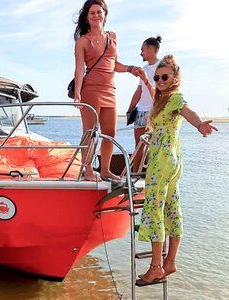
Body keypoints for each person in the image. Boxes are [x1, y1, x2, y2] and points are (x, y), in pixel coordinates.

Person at [137, 55, 217, 283]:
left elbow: (187, 111)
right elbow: (164, 124)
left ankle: (155, 267)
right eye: (157, 77)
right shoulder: (160, 100)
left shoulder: (174, 98)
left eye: (164, 77)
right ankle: (170, 262)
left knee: (154, 208)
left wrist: (199, 124)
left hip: (162, 160)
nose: (160, 80)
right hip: (170, 158)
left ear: (174, 78)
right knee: (171, 206)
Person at [73, 0, 141, 181]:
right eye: (92, 13)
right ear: (87, 17)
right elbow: (79, 68)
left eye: (99, 12)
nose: (96, 15)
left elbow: (114, 64)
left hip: (110, 90)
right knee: (90, 132)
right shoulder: (82, 41)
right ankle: (88, 172)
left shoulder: (113, 37)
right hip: (91, 90)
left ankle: (104, 170)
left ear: (104, 14)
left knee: (110, 132)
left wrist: (130, 68)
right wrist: (78, 93)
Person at [127, 36, 162, 172]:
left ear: (150, 49)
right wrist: (130, 109)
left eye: (142, 49)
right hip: (141, 112)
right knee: (139, 146)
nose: (141, 53)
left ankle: (154, 175)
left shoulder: (162, 67)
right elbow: (139, 90)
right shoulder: (144, 68)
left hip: (155, 111)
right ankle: (136, 175)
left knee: (155, 146)